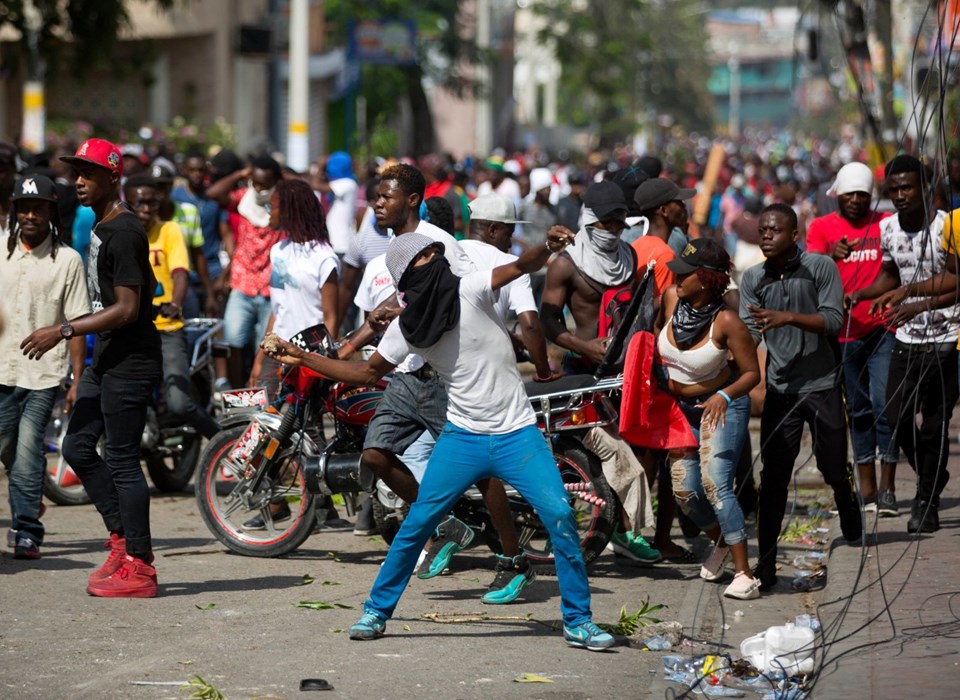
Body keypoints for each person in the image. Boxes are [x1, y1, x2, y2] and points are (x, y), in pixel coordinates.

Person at [263, 229, 616, 651]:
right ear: (409, 277)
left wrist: (549, 245)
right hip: (462, 437)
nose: (438, 257)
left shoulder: (471, 288)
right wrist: (303, 358)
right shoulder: (408, 329)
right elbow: (364, 373)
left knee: (559, 513)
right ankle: (376, 610)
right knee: (417, 524)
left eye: (436, 252)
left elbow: (522, 266)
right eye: (428, 256)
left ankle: (578, 621)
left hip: (517, 433)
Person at [342, 164, 536, 604]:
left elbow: (461, 290)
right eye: (376, 196)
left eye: (386, 196)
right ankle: (449, 524)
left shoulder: (439, 242)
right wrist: (363, 334)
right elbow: (408, 296)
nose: (377, 203)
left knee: (483, 471)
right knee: (375, 454)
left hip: (445, 375)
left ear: (411, 200)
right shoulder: (398, 245)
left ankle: (513, 560)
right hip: (408, 373)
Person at [22, 138, 163, 597]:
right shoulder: (104, 225)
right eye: (75, 172)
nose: (78, 181)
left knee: (122, 460)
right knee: (79, 447)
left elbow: (126, 308)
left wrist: (63, 330)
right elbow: (147, 286)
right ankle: (122, 540)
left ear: (112, 176)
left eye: (88, 173)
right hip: (108, 356)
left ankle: (140, 566)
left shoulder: (123, 230)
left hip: (130, 361)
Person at [540, 180, 664, 564]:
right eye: (606, 223)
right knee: (587, 459)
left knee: (637, 448)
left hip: (623, 374)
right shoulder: (567, 262)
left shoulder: (628, 256)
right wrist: (584, 345)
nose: (613, 231)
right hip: (582, 374)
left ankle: (628, 533)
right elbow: (547, 321)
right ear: (589, 220)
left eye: (619, 223)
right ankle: (567, 531)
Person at [739, 203, 861, 591]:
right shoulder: (753, 278)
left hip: (823, 384)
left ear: (795, 235)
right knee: (773, 479)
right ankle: (768, 563)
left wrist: (786, 317)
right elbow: (750, 333)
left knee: (830, 466)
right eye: (762, 231)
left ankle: (846, 498)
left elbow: (834, 320)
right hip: (781, 389)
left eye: (774, 230)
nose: (766, 236)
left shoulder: (820, 267)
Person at [858, 155, 959, 534]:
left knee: (934, 423)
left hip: (948, 337)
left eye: (907, 187)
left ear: (925, 188)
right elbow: (889, 275)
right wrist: (861, 296)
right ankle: (933, 476)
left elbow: (954, 280)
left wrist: (910, 295)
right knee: (895, 417)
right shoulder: (887, 229)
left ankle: (927, 501)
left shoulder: (947, 226)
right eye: (893, 189)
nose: (900, 195)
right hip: (906, 335)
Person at [656, 239, 762, 600]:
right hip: (680, 410)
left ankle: (745, 573)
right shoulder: (671, 300)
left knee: (717, 485)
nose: (676, 278)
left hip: (722, 406)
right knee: (685, 490)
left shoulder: (727, 321)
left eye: (685, 274)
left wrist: (723, 394)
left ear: (704, 279)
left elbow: (750, 374)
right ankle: (720, 540)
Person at [1, 175, 91, 560]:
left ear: (52, 211)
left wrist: (77, 377)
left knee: (26, 447)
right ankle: (29, 492)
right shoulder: (2, 251)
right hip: (2, 370)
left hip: (43, 374)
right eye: (24, 207)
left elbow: (76, 322)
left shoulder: (67, 260)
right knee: (8, 445)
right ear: (15, 210)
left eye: (38, 207)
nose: (31, 215)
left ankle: (26, 530)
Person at [805, 162, 898, 516]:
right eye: (850, 195)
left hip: (882, 329)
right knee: (858, 411)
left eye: (863, 195)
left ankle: (888, 490)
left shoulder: (884, 225)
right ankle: (868, 491)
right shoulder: (822, 228)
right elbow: (807, 272)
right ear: (838, 196)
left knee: (884, 404)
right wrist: (832, 255)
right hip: (842, 336)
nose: (857, 201)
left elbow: (894, 271)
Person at [123, 173, 221, 442]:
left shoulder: (169, 230)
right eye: (139, 204)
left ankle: (225, 443)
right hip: (129, 330)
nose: (145, 210)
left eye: (151, 204)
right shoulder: (120, 234)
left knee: (179, 402)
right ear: (127, 203)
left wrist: (175, 303)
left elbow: (180, 273)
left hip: (166, 328)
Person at [249, 179, 340, 399]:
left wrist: (325, 365)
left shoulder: (324, 257)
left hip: (309, 354)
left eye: (272, 206)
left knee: (307, 428)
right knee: (262, 419)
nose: (268, 212)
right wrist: (259, 359)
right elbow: (278, 308)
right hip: (276, 348)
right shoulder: (278, 251)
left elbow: (331, 317)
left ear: (290, 211)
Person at [205, 155, 284, 388]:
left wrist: (280, 176)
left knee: (267, 347)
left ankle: (262, 393)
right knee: (233, 341)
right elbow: (212, 193)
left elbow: (303, 189)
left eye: (265, 184)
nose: (259, 189)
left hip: (270, 285)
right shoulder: (244, 198)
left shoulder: (282, 202)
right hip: (242, 282)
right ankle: (240, 391)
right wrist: (241, 174)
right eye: (255, 183)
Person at [172, 149, 233, 316]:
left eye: (200, 170)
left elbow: (226, 234)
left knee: (214, 322)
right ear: (184, 170)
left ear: (206, 170)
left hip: (213, 269)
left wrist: (225, 273)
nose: (196, 174)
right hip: (184, 270)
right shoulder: (174, 198)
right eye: (192, 170)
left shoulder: (214, 197)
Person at [633, 177, 695, 259]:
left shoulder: (635, 247)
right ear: (664, 210)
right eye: (678, 202)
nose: (683, 206)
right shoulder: (664, 255)